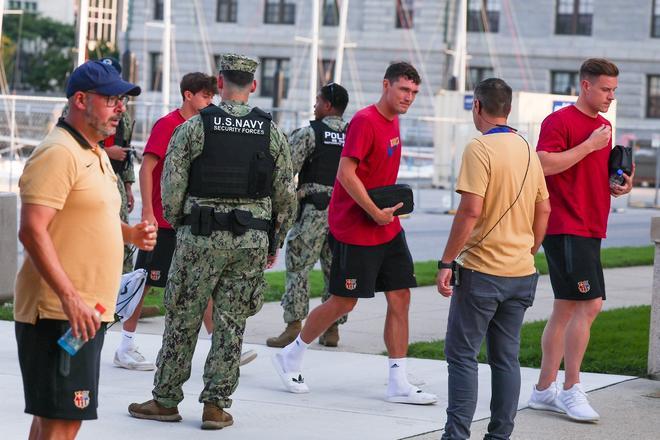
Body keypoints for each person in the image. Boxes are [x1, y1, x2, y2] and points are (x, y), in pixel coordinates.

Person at [128, 53, 296, 430]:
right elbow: (287, 197)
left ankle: (166, 400)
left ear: (219, 83)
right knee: (231, 322)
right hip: (250, 240)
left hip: (198, 237)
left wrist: (182, 225)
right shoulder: (272, 133)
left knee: (183, 318)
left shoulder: (192, 128)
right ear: (253, 85)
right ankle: (216, 407)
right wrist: (273, 242)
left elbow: (170, 190)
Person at [272, 61, 436, 405]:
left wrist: (386, 212)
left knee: (401, 296)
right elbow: (346, 174)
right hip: (355, 226)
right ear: (386, 85)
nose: (409, 97)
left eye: (414, 92)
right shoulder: (364, 121)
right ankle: (291, 355)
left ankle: (398, 380)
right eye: (404, 90)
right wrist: (374, 212)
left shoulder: (393, 122)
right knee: (344, 300)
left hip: (387, 226)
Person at [14, 60, 156, 440]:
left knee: (52, 417)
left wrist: (129, 234)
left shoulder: (93, 153)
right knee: (64, 421)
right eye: (111, 99)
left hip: (85, 312)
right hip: (60, 314)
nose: (121, 108)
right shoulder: (59, 153)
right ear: (81, 99)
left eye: (122, 100)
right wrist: (70, 298)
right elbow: (31, 230)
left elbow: (88, 219)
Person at [436, 78, 551, 439]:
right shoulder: (527, 149)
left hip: (481, 272)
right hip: (521, 272)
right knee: (506, 359)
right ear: (509, 109)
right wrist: (529, 249)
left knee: (462, 357)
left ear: (477, 107)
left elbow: (470, 210)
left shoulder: (479, 149)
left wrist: (446, 261)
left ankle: (455, 436)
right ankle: (500, 435)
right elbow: (544, 209)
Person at [528, 58, 634, 422]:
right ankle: (571, 388)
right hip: (565, 224)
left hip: (591, 224)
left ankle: (544, 390)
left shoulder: (603, 126)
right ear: (585, 85)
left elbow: (592, 172)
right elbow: (543, 163)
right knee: (589, 305)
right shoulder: (559, 122)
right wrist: (590, 146)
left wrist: (616, 184)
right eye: (606, 89)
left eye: (614, 91)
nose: (611, 97)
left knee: (568, 308)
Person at [113, 72, 218, 371]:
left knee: (202, 282)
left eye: (211, 96)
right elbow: (146, 169)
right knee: (144, 281)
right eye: (205, 96)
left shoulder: (202, 128)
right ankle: (125, 346)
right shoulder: (167, 125)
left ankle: (218, 347)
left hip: (187, 221)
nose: (209, 101)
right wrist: (147, 213)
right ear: (188, 95)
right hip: (161, 220)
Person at [267, 82, 350, 348]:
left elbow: (284, 170)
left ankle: (293, 326)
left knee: (298, 266)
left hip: (314, 211)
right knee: (335, 269)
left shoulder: (310, 133)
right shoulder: (354, 134)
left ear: (327, 105)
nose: (315, 106)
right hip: (344, 214)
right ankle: (331, 329)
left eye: (317, 101)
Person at [99, 57, 138, 274]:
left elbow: (127, 151)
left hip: (118, 181)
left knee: (122, 241)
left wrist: (129, 186)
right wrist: (107, 152)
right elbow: (80, 148)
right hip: (97, 180)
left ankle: (122, 296)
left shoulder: (121, 114)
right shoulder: (85, 111)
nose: (120, 105)